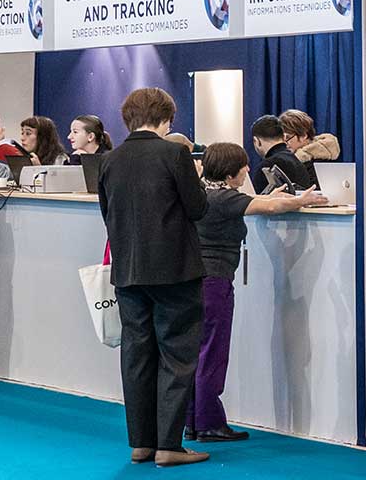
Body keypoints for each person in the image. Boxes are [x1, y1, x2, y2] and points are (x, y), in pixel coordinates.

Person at [98, 88, 211, 467]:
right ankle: (169, 445)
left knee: (137, 356)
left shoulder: (110, 159)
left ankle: (141, 443)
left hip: (128, 270)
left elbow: (107, 213)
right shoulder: (175, 153)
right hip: (175, 270)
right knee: (177, 357)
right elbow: (197, 208)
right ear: (166, 119)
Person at [185, 142, 324, 443]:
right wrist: (302, 200)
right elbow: (270, 207)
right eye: (244, 166)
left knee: (195, 353)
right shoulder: (226, 199)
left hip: (192, 282)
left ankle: (193, 420)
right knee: (212, 354)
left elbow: (256, 202)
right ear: (231, 170)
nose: (249, 169)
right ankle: (209, 422)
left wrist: (268, 198)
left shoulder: (200, 193)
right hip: (215, 283)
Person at [250, 115, 316, 193]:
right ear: (284, 137)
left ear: (257, 141)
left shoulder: (267, 166)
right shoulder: (297, 161)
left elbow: (255, 201)